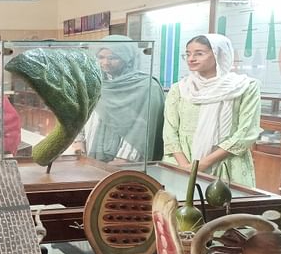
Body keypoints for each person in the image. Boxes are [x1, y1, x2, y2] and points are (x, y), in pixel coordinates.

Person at [162, 33, 262, 187]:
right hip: (181, 162)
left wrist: (201, 165)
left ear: (218, 54)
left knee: (224, 202)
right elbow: (170, 130)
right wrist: (184, 166)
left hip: (225, 164)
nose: (191, 59)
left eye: (199, 53)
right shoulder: (179, 89)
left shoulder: (244, 87)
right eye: (188, 54)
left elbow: (246, 132)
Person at [74, 35, 165, 163]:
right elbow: (83, 116)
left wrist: (123, 160)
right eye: (101, 57)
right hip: (90, 156)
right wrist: (78, 143)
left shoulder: (146, 86)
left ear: (128, 58)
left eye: (113, 58)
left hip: (126, 162)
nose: (105, 62)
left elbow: (142, 129)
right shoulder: (96, 82)